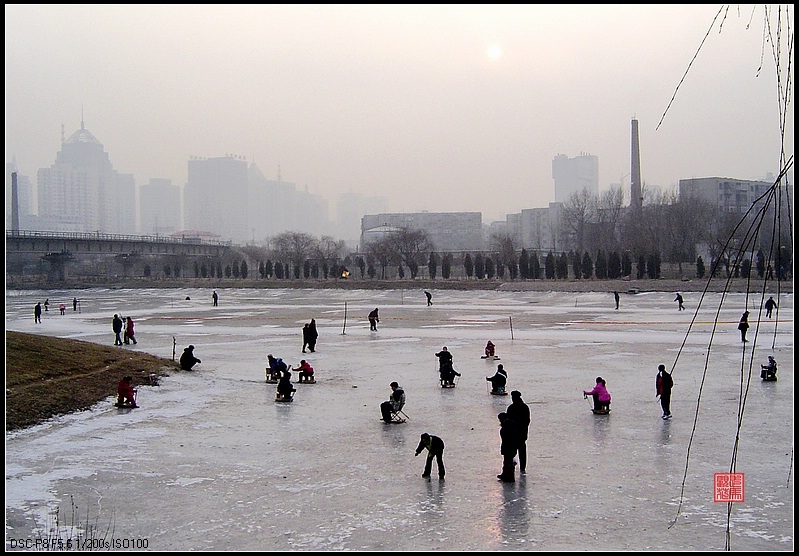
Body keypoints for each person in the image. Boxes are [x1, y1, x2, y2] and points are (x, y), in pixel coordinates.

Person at [506, 391, 530, 475]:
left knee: (511, 452)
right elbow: (527, 421)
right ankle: (522, 468)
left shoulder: (511, 408)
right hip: (522, 433)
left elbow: (508, 421)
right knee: (522, 451)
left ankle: (509, 468)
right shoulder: (525, 407)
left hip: (513, 434)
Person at [497, 412, 518, 483]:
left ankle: (509, 477)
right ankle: (506, 475)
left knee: (508, 462)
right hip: (509, 447)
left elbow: (507, 438)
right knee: (507, 461)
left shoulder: (507, 426)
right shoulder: (510, 425)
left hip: (508, 447)